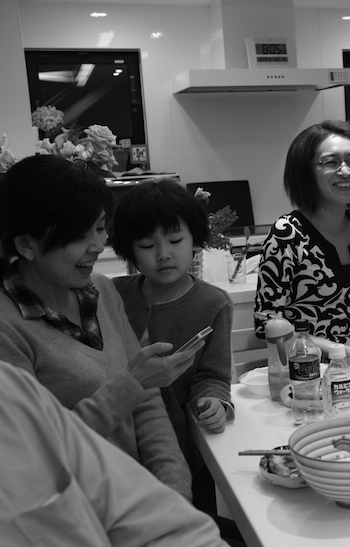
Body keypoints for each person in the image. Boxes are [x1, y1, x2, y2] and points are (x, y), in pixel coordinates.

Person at [0, 154, 201, 500]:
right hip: (74, 518)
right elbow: (35, 460)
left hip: (142, 504)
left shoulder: (101, 290)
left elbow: (147, 407)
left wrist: (175, 496)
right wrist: (130, 384)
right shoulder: (9, 329)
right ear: (27, 244)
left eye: (100, 227)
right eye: (79, 235)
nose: (97, 245)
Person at [0, 359, 228, 547]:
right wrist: (131, 385)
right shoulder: (11, 339)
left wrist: (176, 492)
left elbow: (149, 513)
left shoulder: (12, 391)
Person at [109, 178, 234, 511]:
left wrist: (214, 401)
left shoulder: (213, 303)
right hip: (121, 450)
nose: (163, 255)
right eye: (147, 246)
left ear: (195, 239)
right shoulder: (113, 296)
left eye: (176, 240)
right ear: (129, 251)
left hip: (186, 450)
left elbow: (213, 374)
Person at [254, 119, 350, 353]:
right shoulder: (287, 233)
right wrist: (336, 350)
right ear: (305, 172)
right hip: (304, 366)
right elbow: (267, 322)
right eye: (331, 162)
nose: (345, 171)